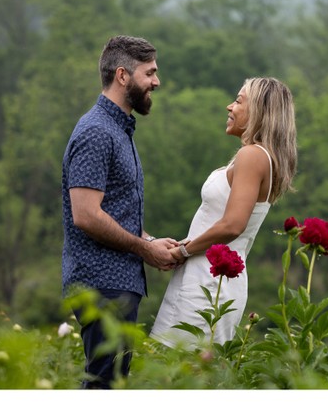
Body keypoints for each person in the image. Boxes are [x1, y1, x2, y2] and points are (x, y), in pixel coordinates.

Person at [61, 35, 179, 389]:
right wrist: (145, 249)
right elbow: (85, 214)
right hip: (101, 283)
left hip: (116, 281)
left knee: (110, 384)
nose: (157, 82)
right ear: (123, 75)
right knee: (103, 387)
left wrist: (151, 241)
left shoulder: (118, 129)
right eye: (151, 73)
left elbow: (113, 210)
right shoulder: (97, 132)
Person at [150, 77, 297, 349]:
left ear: (260, 112)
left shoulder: (252, 156)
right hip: (205, 277)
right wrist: (185, 245)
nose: (229, 106)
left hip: (208, 283)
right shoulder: (256, 157)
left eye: (239, 101)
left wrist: (183, 251)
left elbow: (232, 225)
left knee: (177, 374)